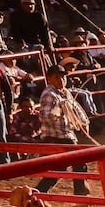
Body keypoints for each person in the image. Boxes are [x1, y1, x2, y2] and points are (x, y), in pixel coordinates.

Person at [36, 64, 90, 196]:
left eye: (63, 77)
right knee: (78, 161)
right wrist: (59, 111)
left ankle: (38, 192)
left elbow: (75, 108)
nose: (61, 80)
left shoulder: (64, 93)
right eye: (57, 77)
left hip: (63, 136)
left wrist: (83, 122)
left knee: (59, 169)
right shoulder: (50, 95)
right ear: (49, 79)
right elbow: (45, 116)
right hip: (55, 138)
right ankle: (81, 191)